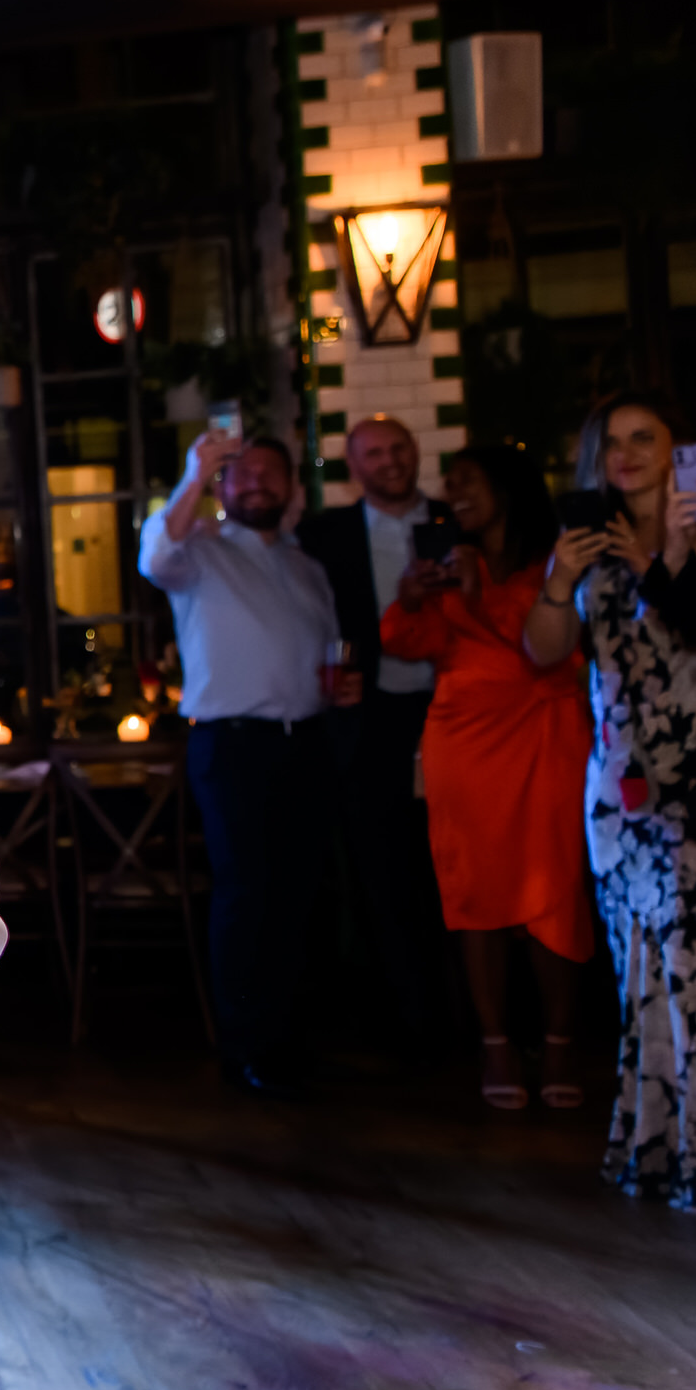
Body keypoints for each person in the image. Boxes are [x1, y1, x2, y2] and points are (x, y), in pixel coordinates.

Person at [523, 392, 696, 1209]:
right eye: (612, 443)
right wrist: (561, 580)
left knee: (695, 971)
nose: (627, 455)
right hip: (620, 791)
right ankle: (659, 1151)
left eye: (646, 439)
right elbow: (545, 651)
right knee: (644, 975)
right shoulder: (584, 548)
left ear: (677, 452)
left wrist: (656, 560)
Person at [141, 430, 356, 1097]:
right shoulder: (198, 550)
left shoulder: (307, 568)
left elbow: (321, 656)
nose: (259, 481)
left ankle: (285, 1034)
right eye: (246, 473)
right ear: (227, 490)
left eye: (273, 473)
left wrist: (336, 687)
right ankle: (245, 1046)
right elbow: (155, 556)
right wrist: (195, 473)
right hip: (233, 745)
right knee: (245, 894)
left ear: (292, 488)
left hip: (306, 740)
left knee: (295, 897)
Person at [379, 441, 590, 1108]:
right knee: (476, 898)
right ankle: (495, 1045)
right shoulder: (450, 560)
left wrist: (481, 596)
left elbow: (550, 656)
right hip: (464, 743)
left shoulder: (557, 560)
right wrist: (412, 601)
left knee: (552, 891)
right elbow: (409, 644)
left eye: (468, 482)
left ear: (509, 487)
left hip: (543, 734)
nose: (455, 495)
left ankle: (559, 1044)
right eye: (452, 484)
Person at [297, 414, 454, 1050]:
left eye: (398, 448)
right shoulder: (323, 534)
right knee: (381, 874)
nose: (389, 461)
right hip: (371, 721)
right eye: (374, 454)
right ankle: (404, 1020)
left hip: (453, 715)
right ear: (353, 467)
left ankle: (460, 1015)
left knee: (450, 869)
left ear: (415, 451)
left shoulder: (452, 522)